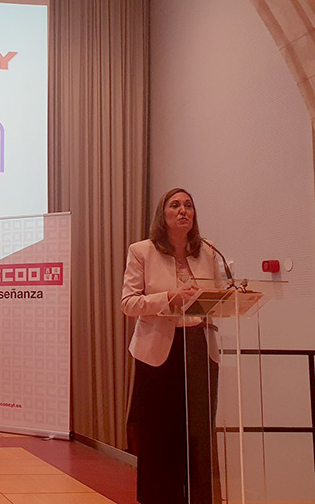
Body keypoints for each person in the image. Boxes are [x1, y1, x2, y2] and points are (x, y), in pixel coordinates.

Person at [122, 188, 224, 504]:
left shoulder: (209, 252)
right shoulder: (142, 251)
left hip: (199, 347)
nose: (183, 210)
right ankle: (159, 497)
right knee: (160, 430)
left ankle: (199, 497)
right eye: (175, 205)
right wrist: (169, 298)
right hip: (158, 352)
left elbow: (220, 297)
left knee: (199, 431)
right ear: (162, 214)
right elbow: (128, 303)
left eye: (188, 205)